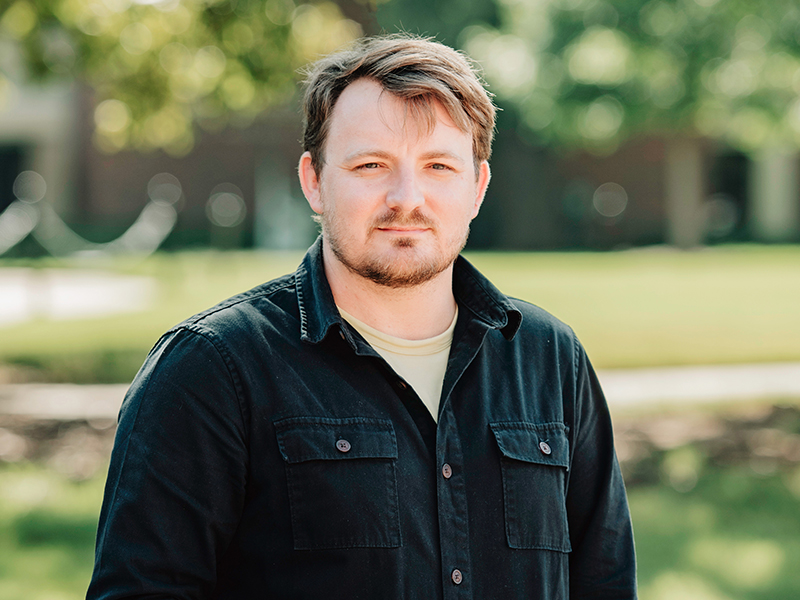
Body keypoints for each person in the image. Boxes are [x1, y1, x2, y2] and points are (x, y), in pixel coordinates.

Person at [87, 34, 636, 600]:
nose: (407, 197)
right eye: (372, 164)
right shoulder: (212, 368)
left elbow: (606, 582)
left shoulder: (550, 359)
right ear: (315, 182)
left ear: (477, 187)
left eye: (439, 166)